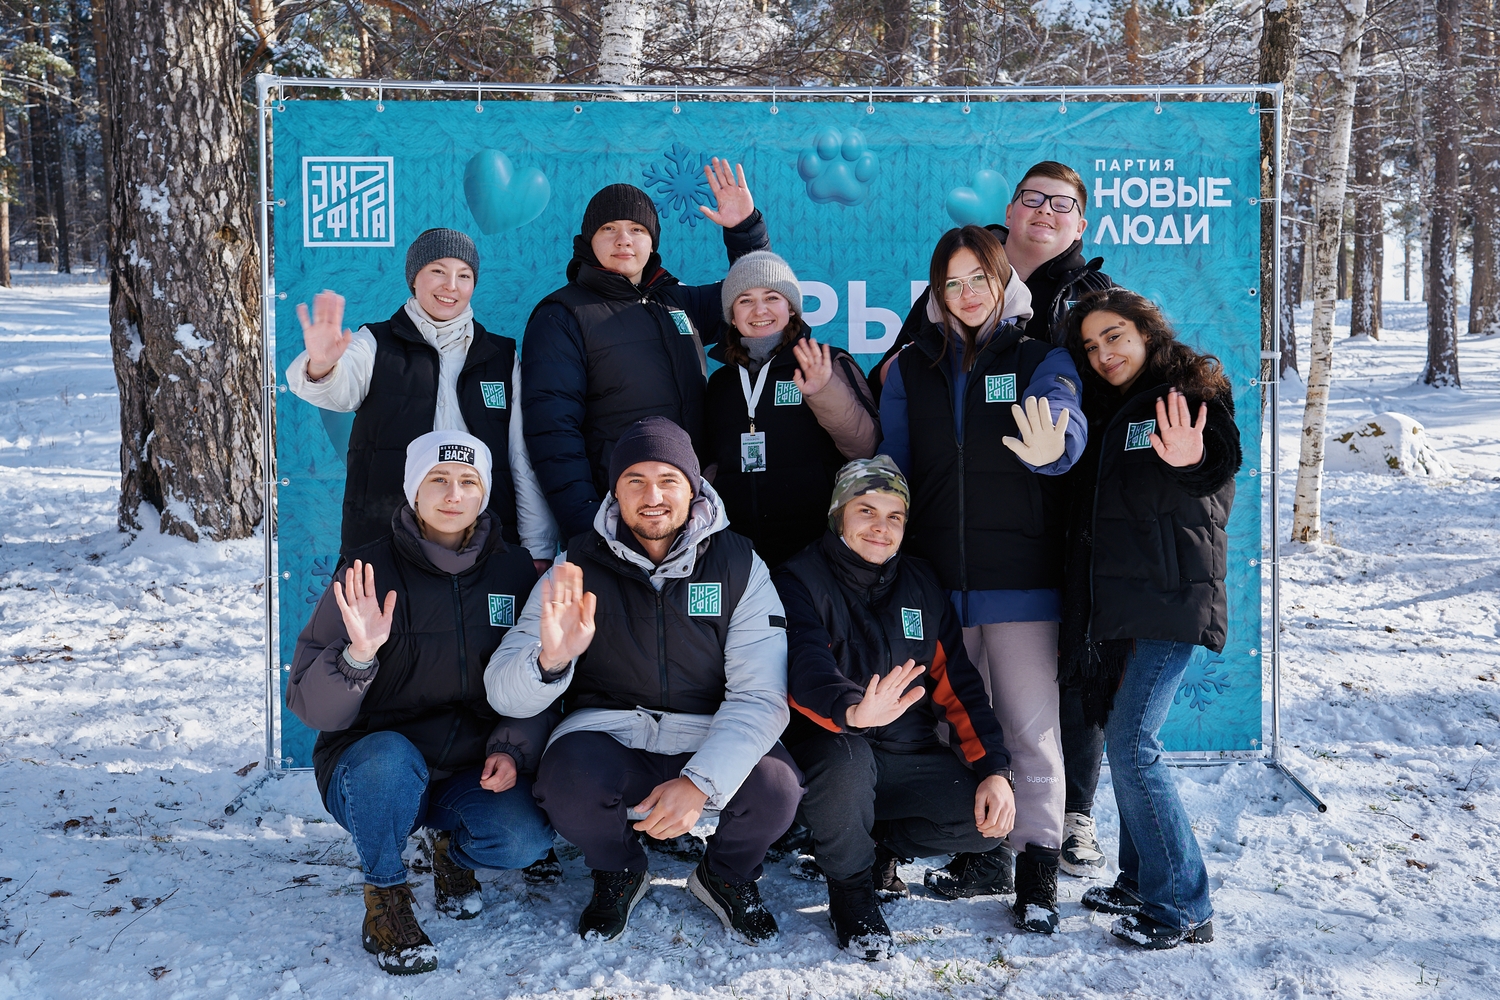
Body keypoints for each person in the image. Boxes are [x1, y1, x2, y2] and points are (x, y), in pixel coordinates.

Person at [484, 416, 802, 944]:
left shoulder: (740, 565)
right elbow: (502, 691)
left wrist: (699, 784)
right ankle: (618, 869)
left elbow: (760, 696)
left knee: (776, 788)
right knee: (568, 781)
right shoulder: (574, 565)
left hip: (706, 729)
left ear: (693, 488)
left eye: (667, 480)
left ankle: (725, 874)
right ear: (615, 491)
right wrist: (550, 661)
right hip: (609, 732)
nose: (652, 497)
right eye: (635, 481)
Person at [878, 225, 1086, 934]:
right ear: (936, 293)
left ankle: (1038, 873)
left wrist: (1057, 441)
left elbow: (1063, 414)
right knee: (953, 727)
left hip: (1022, 582)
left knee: (1030, 731)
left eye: (979, 279)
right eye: (953, 283)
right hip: (938, 586)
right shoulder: (911, 367)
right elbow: (894, 468)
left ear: (1004, 283)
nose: (967, 294)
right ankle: (981, 852)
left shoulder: (1039, 356)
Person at [286, 430, 555, 976]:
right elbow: (313, 708)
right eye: (438, 479)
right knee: (387, 759)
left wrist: (512, 748)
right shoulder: (366, 571)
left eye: (468, 481)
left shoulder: (513, 570)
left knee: (524, 837)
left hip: (468, 769)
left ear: (484, 493)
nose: (453, 494)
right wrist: (359, 655)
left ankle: (451, 853)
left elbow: (531, 686)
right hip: (373, 767)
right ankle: (386, 899)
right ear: (413, 489)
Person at [774, 457, 1016, 960]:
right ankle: (851, 891)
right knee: (846, 763)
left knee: (982, 821)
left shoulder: (921, 583)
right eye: (866, 511)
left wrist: (994, 769)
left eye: (894, 516)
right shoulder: (798, 577)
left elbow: (960, 685)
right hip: (831, 745)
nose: (880, 528)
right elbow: (803, 666)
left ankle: (875, 847)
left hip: (907, 753)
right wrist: (851, 711)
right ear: (839, 516)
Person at [1060, 288, 1241, 949]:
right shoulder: (1106, 409)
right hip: (1121, 605)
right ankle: (1140, 880)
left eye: (1115, 336)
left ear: (1146, 331)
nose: (1104, 353)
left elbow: (1217, 460)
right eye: (1091, 345)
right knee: (1123, 742)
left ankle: (1183, 906)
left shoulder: (1187, 392)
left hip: (1168, 598)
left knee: (1134, 746)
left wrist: (1195, 460)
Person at [523, 160, 771, 540]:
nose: (624, 239)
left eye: (637, 229)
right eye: (609, 228)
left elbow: (753, 297)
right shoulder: (561, 315)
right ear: (589, 240)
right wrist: (587, 527)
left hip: (690, 510)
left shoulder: (677, 301)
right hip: (616, 516)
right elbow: (553, 434)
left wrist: (744, 230)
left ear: (652, 241)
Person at [287, 228, 554, 569]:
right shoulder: (375, 343)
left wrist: (537, 546)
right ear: (414, 278)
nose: (451, 286)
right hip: (384, 542)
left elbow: (521, 458)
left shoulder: (500, 356)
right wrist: (322, 365)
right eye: (438, 271)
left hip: (484, 543)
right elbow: (336, 390)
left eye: (464, 275)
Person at [702, 250, 879, 567]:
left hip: (815, 555)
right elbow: (712, 465)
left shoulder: (827, 363)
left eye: (772, 297)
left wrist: (825, 391)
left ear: (791, 308)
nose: (760, 310)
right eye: (745, 300)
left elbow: (865, 448)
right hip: (739, 556)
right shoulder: (720, 383)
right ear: (732, 316)